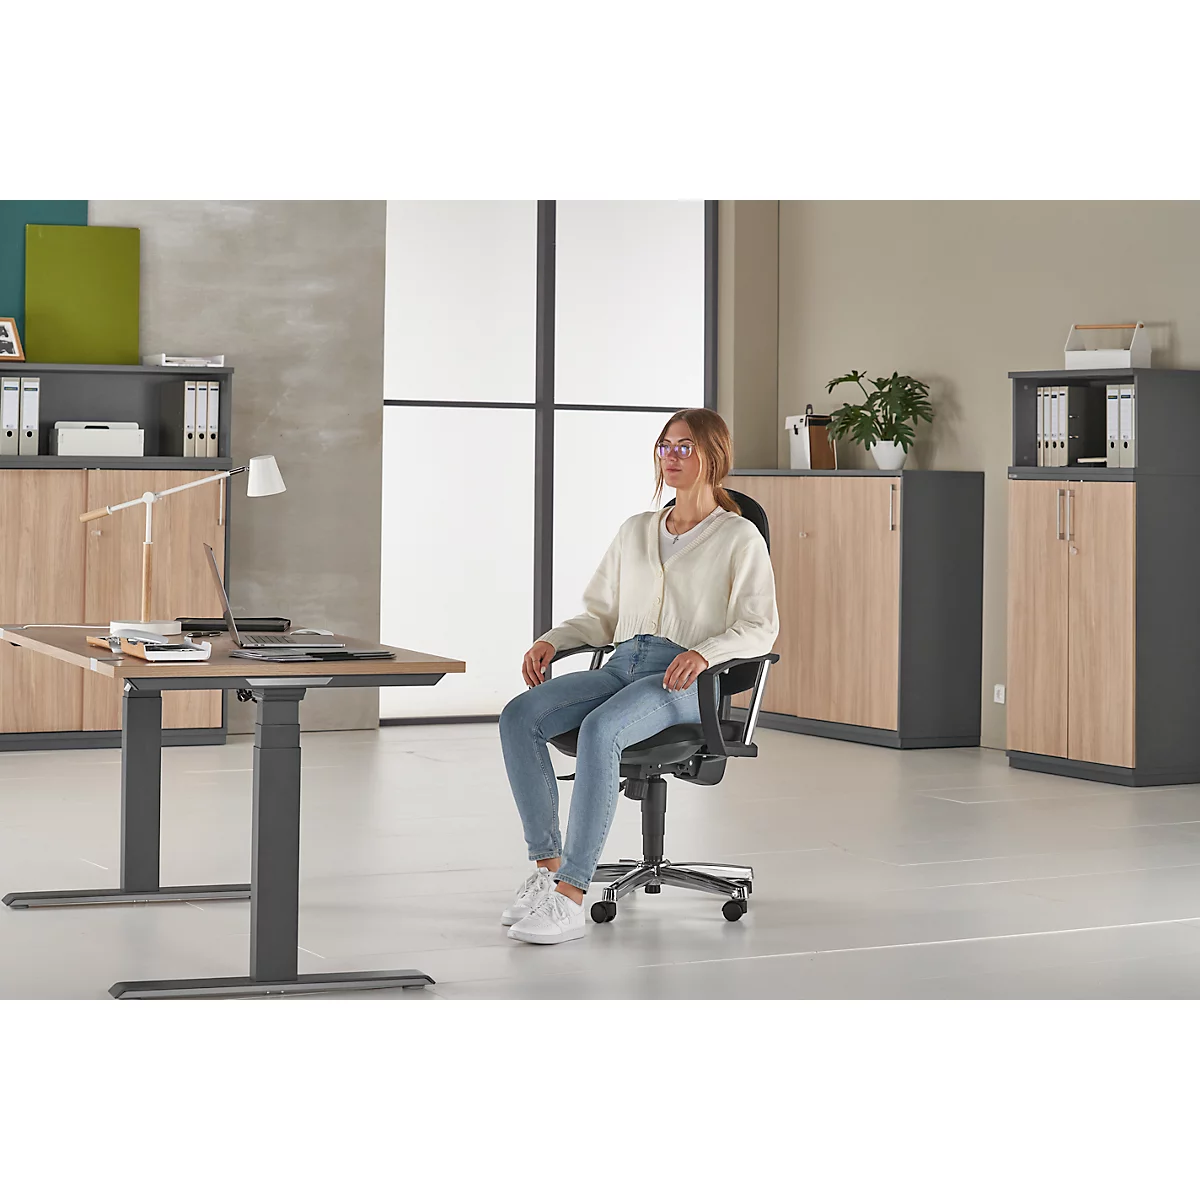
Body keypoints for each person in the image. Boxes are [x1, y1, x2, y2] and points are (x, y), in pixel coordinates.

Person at [498, 408, 779, 945]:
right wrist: (551, 640)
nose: (672, 457)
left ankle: (574, 896)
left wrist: (706, 653)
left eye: (685, 447)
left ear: (714, 457)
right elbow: (601, 615)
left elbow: (760, 627)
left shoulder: (738, 537)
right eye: (665, 446)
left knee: (602, 730)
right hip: (623, 663)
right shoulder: (635, 530)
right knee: (521, 714)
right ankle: (548, 870)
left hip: (684, 679)